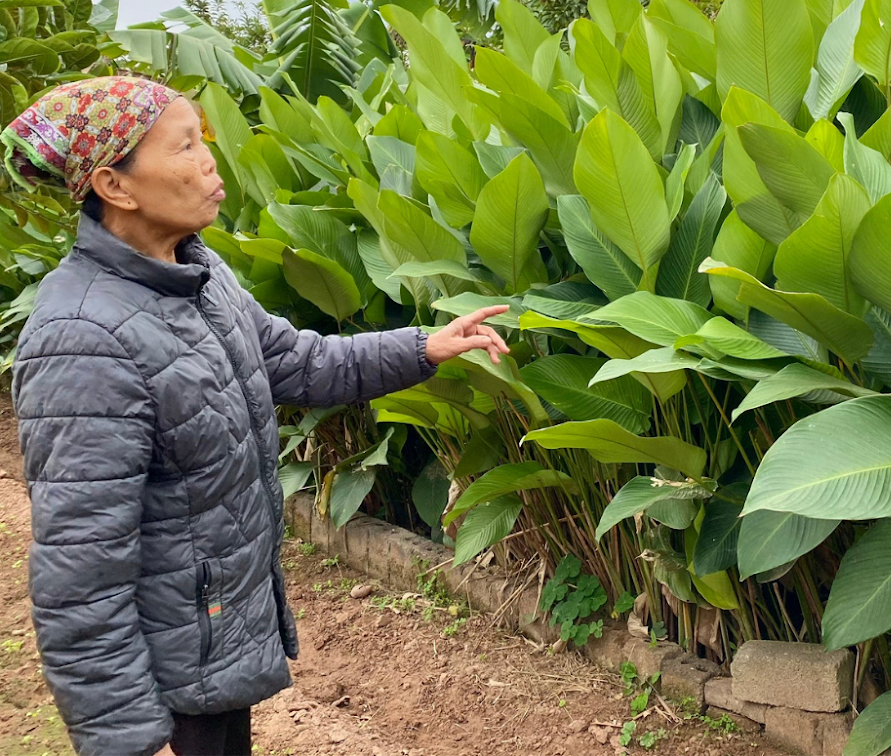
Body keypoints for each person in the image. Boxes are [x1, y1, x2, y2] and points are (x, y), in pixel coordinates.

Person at [3, 76, 511, 756]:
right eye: (185, 147)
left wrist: (423, 347)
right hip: (165, 678)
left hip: (213, 640)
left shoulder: (200, 274)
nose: (210, 161)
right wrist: (125, 737)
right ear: (114, 186)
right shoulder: (81, 334)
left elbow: (300, 362)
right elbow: (80, 572)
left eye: (203, 141)